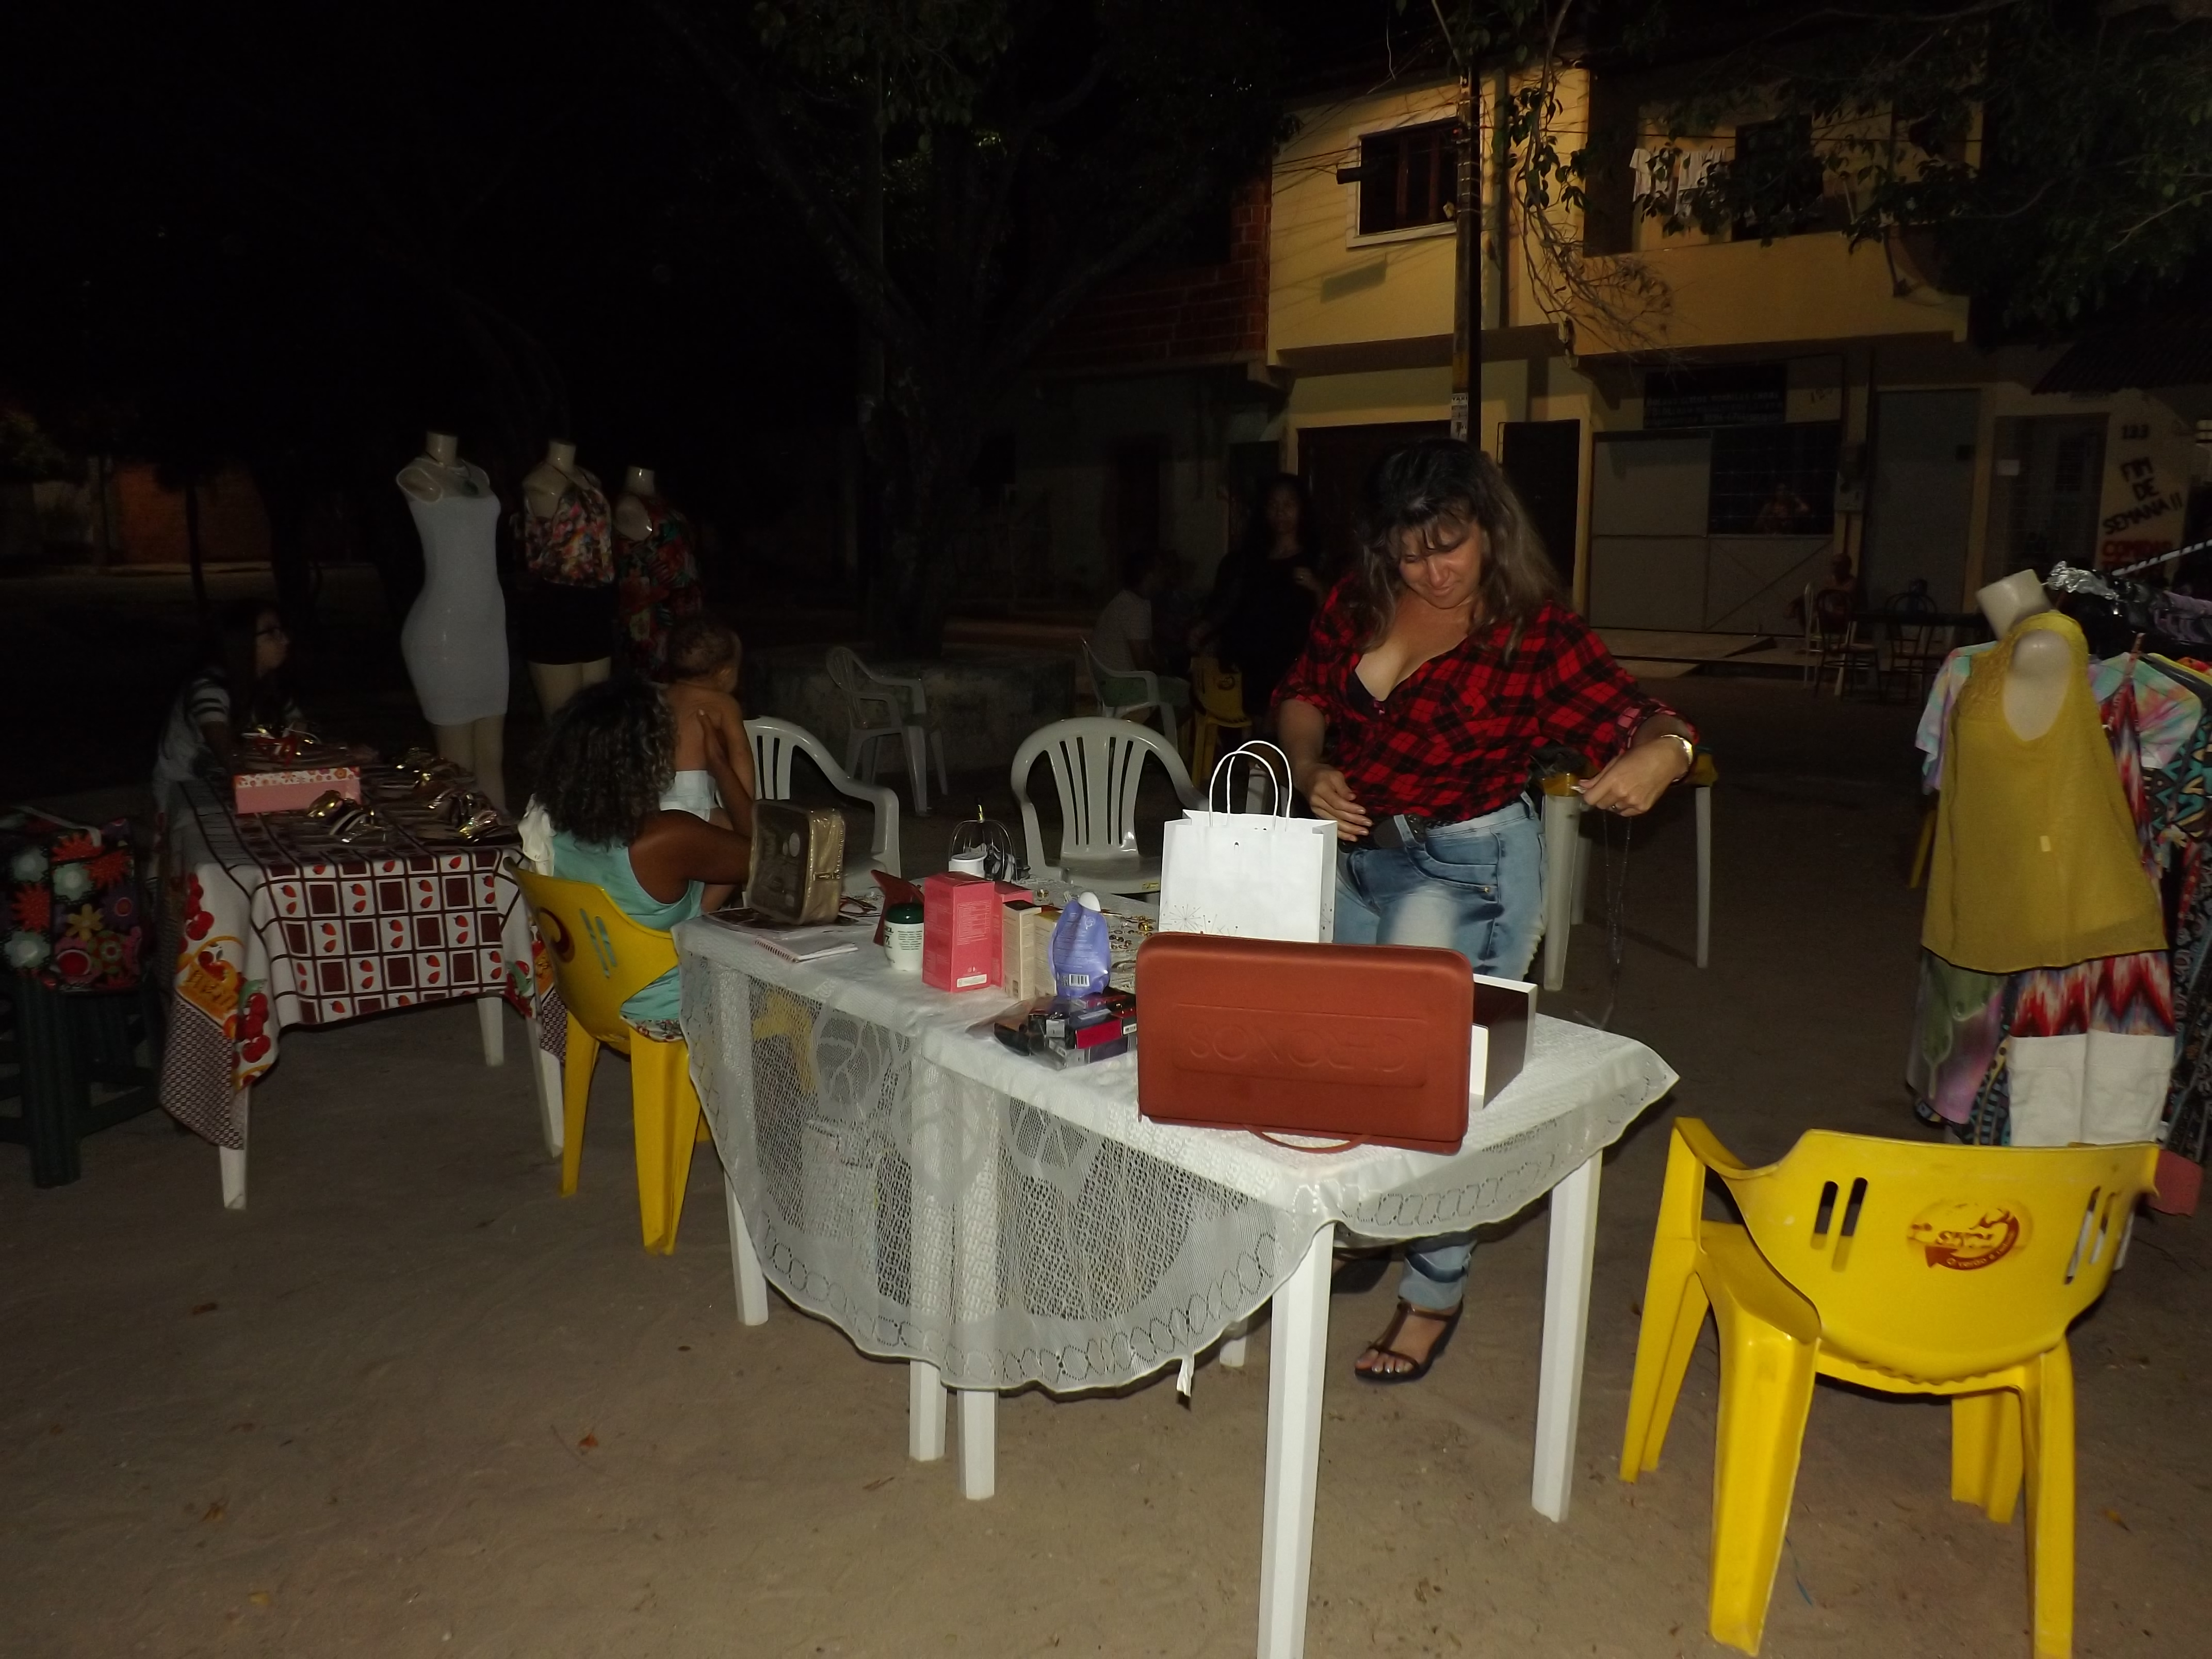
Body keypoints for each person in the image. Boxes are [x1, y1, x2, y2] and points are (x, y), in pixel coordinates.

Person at [1275, 437, 1697, 1383]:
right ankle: (1373, 1224)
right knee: (1346, 1065)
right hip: (1353, 858)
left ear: (1489, 529)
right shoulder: (1360, 598)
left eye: (1449, 545)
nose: (1431, 570)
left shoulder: (1534, 632)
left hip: (1465, 869)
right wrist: (1309, 766)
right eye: (1409, 550)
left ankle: (1435, 1287)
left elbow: (1642, 717)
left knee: (1439, 1084)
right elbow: (1302, 693)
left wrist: (1661, 756)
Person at [534, 679, 754, 1028]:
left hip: (589, 996)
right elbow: (762, 856)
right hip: (665, 1010)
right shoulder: (665, 836)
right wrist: (720, 765)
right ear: (645, 759)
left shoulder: (555, 826)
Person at [1198, 473, 1324, 723]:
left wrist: (1316, 586)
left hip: (1296, 660)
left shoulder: (1317, 557)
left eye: (1288, 505)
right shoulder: (1252, 559)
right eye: (1273, 505)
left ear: (1302, 509)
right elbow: (1232, 604)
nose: (1280, 512)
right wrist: (1204, 628)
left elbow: (1332, 611)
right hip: (1257, 660)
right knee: (1258, 723)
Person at [153, 599, 305, 796]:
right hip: (186, 791)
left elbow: (299, 728)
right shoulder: (209, 687)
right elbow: (223, 746)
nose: (285, 640)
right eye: (272, 633)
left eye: (282, 631)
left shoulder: (269, 687)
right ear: (242, 641)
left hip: (232, 786)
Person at [660, 613, 757, 833]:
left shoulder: (661, 697)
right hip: (694, 802)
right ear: (725, 674)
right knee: (753, 839)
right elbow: (740, 753)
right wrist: (746, 803)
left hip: (652, 800)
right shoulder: (724, 704)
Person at [1091, 546, 1189, 728]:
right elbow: (1142, 662)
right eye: (1160, 570)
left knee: (1175, 687)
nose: (1165, 576)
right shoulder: (1134, 607)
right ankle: (1151, 737)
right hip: (1119, 685)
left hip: (1109, 680)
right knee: (1189, 695)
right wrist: (1164, 672)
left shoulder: (1130, 601)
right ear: (1149, 576)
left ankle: (1151, 736)